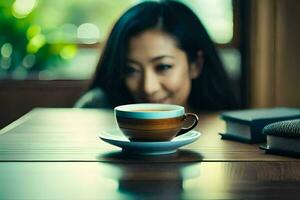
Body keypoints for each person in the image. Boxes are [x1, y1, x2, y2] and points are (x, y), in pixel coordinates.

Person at [75, 0, 239, 111]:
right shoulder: (96, 109)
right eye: (131, 70)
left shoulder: (227, 123)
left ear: (195, 65)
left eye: (163, 67)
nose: (148, 87)